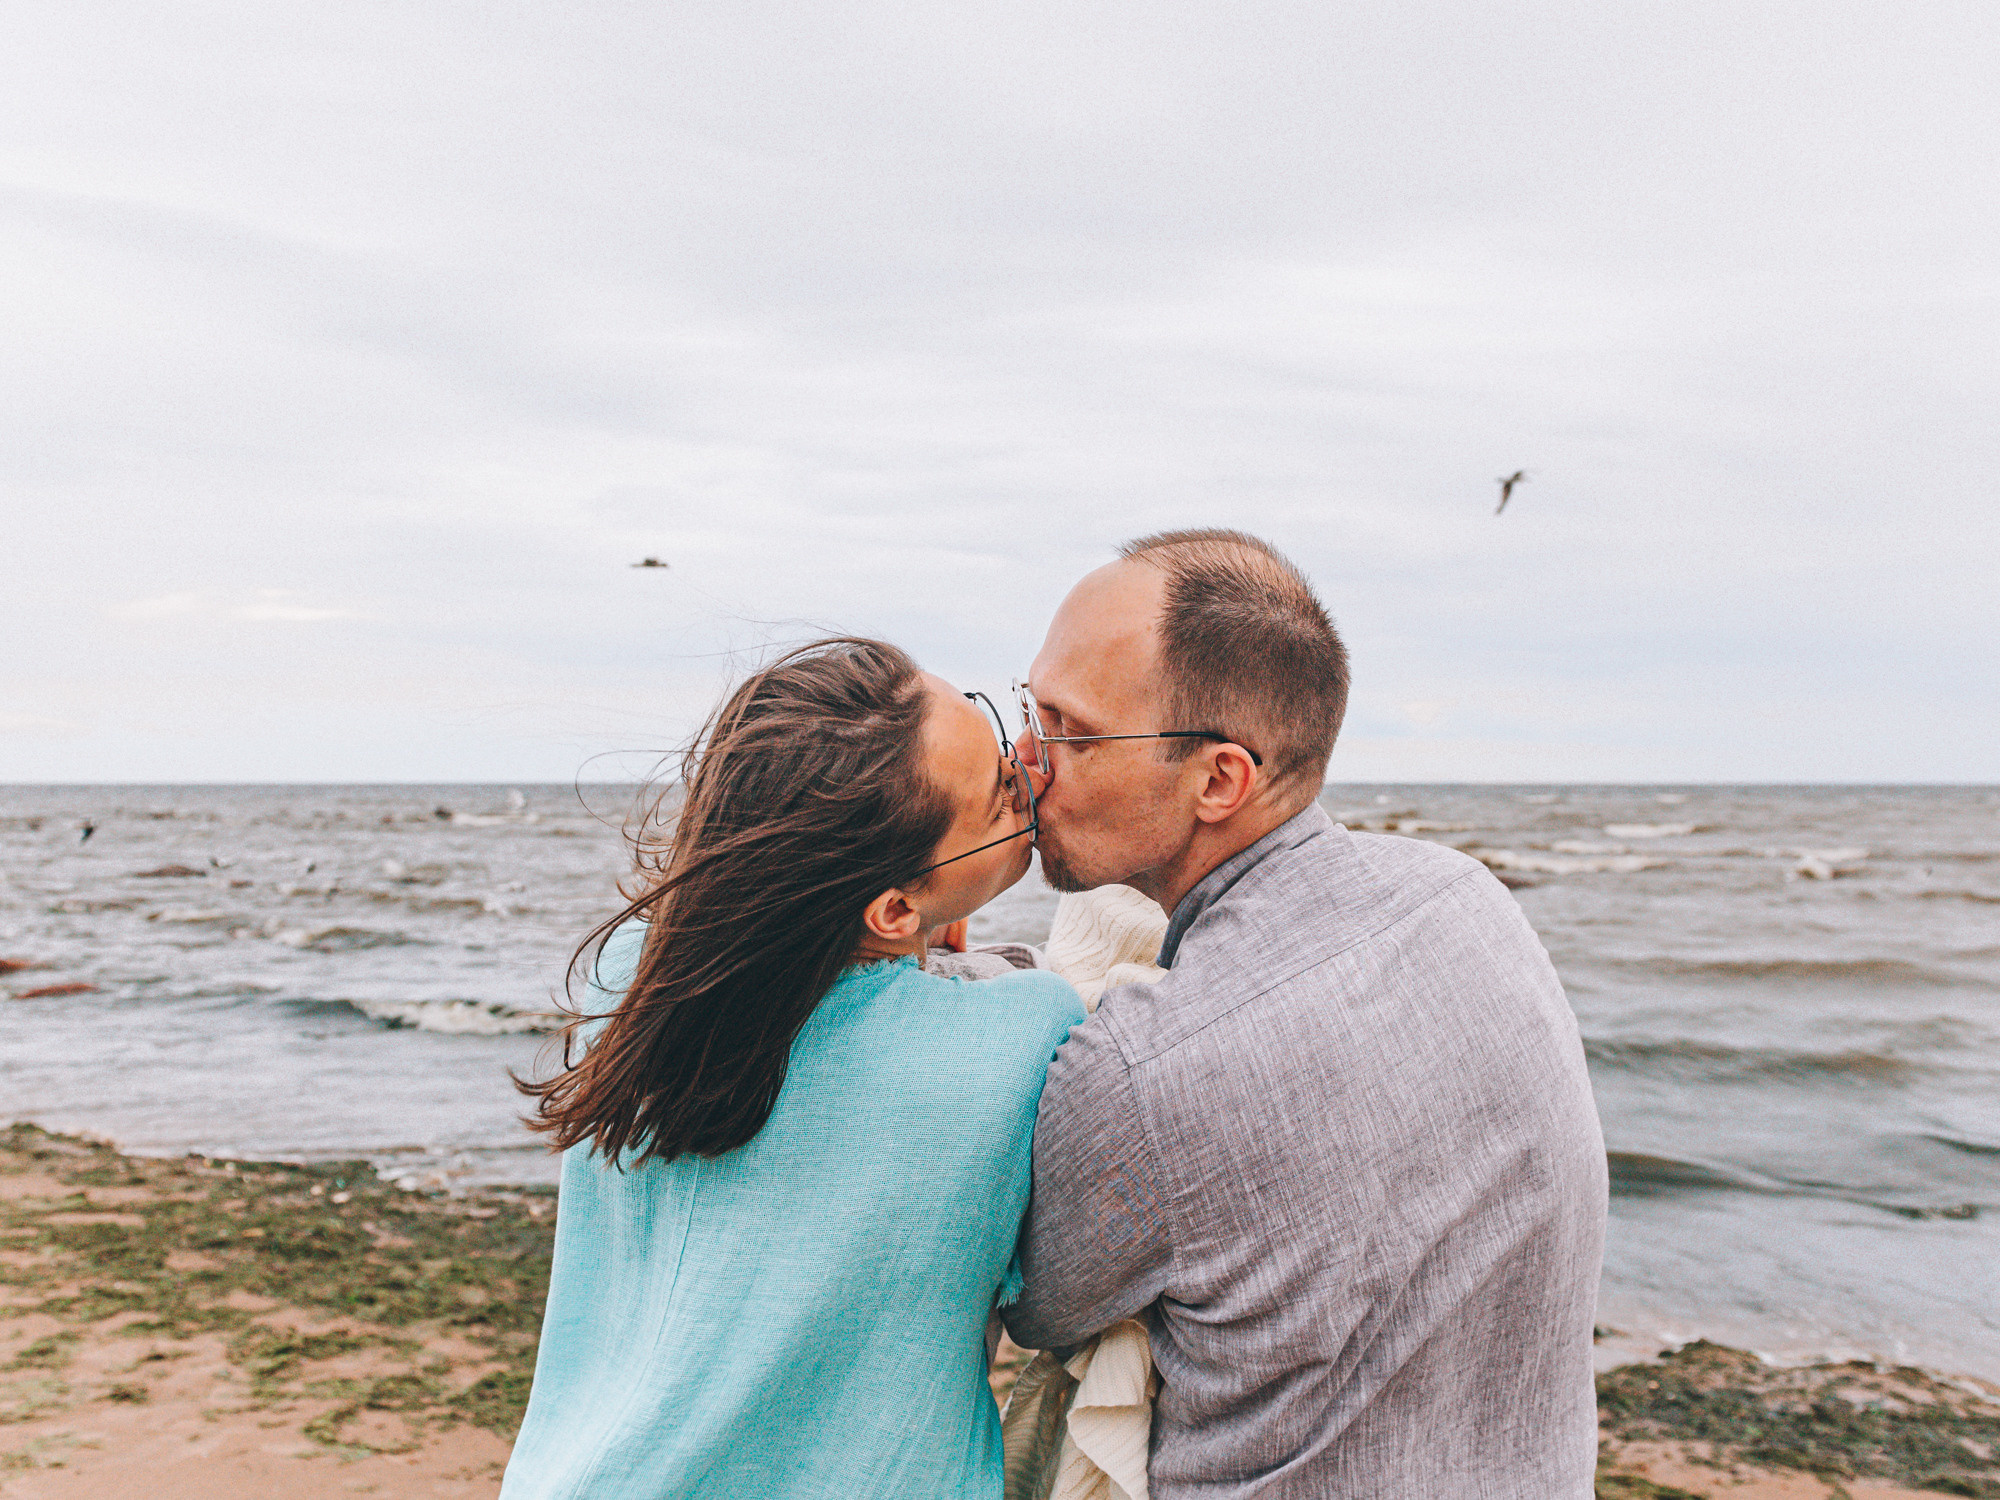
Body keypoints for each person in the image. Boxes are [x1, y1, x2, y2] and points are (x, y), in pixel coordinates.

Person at [1003, 530, 1607, 1498]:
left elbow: (1035, 1302)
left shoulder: (1141, 1071)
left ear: (1218, 780)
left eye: (1066, 731)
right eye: (1028, 712)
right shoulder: (1468, 899)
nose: (1027, 762)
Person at [500, 638, 1085, 1500]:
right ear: (889, 907)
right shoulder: (1021, 1032)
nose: (1025, 775)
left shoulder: (631, 974)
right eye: (1001, 797)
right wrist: (929, 962)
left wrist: (913, 946)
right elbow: (1053, 1301)